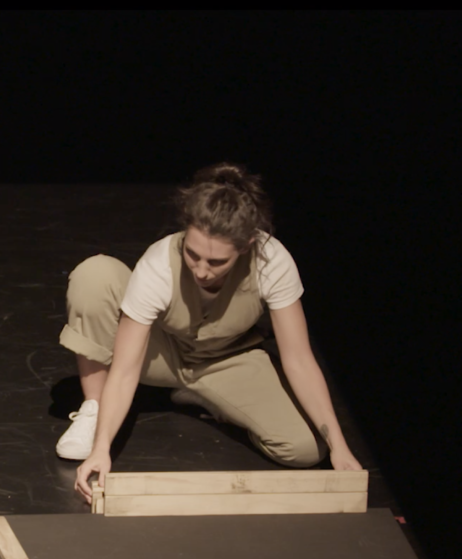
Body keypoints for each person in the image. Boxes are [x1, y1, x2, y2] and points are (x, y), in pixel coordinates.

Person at [56, 162, 364, 503]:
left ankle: (205, 395)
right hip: (161, 355)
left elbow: (300, 359)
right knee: (95, 274)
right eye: (193, 254)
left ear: (246, 245)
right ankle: (95, 410)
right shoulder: (159, 263)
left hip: (226, 360)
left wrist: (339, 445)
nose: (201, 270)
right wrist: (102, 448)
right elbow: (127, 368)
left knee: (305, 449)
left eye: (216, 262)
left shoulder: (272, 261)